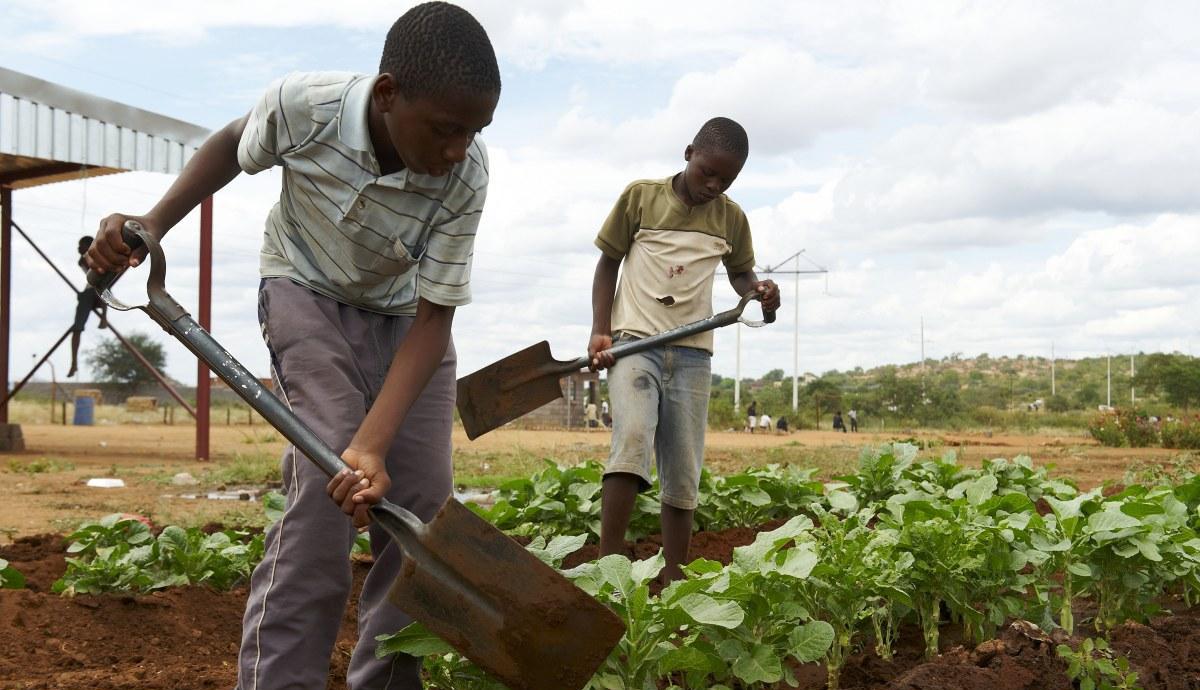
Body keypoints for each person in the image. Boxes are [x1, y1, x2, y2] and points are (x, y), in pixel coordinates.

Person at [85, 4, 500, 688]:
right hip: (306, 291)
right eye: (447, 130)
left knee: (421, 503)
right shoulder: (306, 105)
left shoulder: (465, 174)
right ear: (390, 94)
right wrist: (152, 225)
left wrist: (378, 444)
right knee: (328, 469)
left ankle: (389, 680)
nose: (459, 149)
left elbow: (434, 320)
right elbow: (227, 146)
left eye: (474, 132)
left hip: (407, 323)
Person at [587, 117, 780, 583]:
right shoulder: (641, 197)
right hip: (636, 342)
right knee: (632, 438)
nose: (713, 185)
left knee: (683, 464)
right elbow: (607, 263)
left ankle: (675, 582)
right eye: (706, 172)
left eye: (726, 179)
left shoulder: (730, 217)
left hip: (693, 352)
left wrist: (759, 291)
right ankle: (607, 567)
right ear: (688, 152)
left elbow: (740, 274)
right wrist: (601, 330)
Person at [67, 235, 108, 377]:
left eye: (81, 245)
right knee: (77, 328)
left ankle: (104, 318)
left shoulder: (92, 255)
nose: (78, 248)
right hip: (91, 291)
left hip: (98, 291)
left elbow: (96, 268)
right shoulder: (83, 259)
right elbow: (92, 271)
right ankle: (74, 363)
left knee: (104, 290)